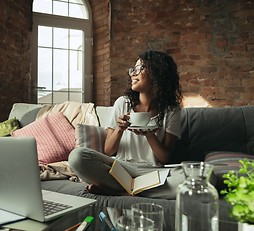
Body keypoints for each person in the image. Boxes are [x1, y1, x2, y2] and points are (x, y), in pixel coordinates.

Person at [68, 50, 185, 199]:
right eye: (133, 69)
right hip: (121, 169)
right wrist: (119, 129)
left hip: (153, 172)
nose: (132, 74)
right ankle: (137, 190)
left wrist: (150, 135)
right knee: (76, 157)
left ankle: (120, 192)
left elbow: (165, 158)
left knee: (201, 177)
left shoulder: (171, 110)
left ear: (157, 73)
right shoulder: (122, 103)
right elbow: (108, 151)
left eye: (139, 69)